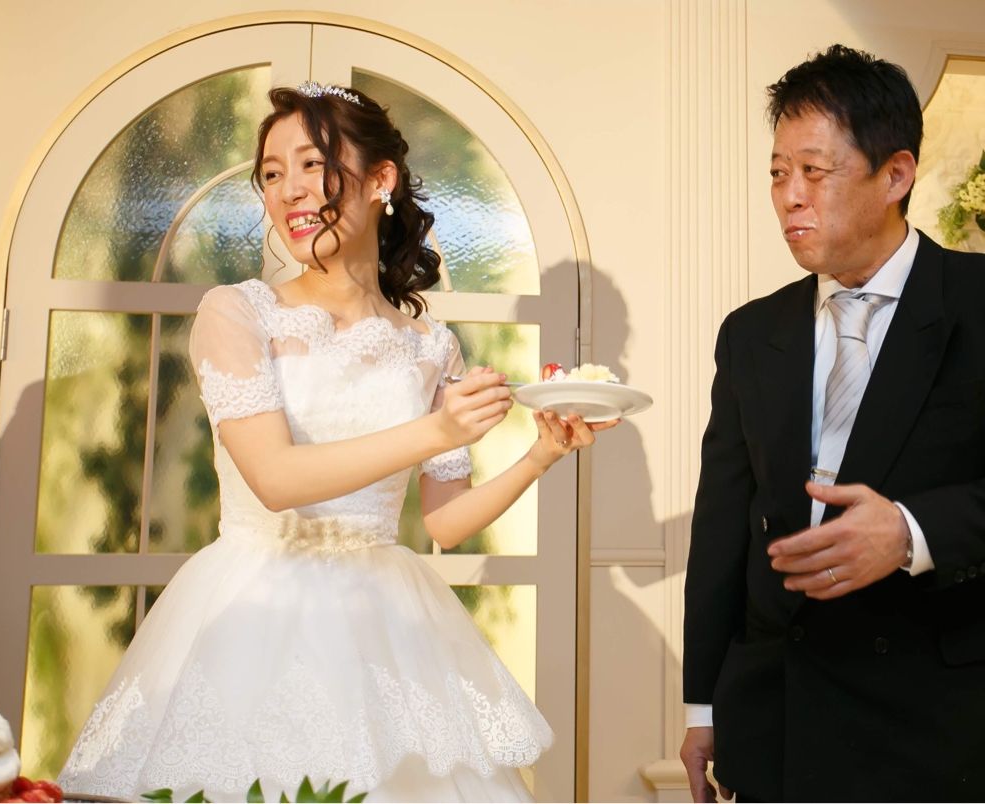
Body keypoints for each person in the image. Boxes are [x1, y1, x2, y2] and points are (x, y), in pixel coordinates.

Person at [58, 81, 614, 803]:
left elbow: (446, 523)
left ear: (381, 180)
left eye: (312, 164)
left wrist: (541, 453)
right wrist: (437, 428)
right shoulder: (236, 313)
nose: (288, 189)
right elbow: (275, 479)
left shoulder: (430, 344)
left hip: (384, 625)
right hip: (251, 615)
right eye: (271, 172)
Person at [679, 45, 985, 802]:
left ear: (896, 175)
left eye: (815, 171)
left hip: (926, 732)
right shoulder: (751, 333)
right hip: (777, 724)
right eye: (777, 173)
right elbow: (722, 526)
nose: (789, 197)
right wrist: (702, 707)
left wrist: (911, 533)